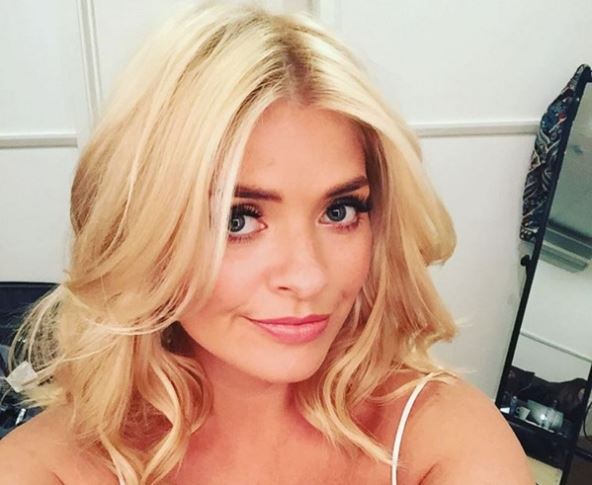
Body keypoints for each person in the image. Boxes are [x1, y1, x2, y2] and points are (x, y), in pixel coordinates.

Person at [0, 3, 533, 484]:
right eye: (237, 220)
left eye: (340, 211)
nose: (308, 277)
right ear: (144, 232)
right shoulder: (45, 468)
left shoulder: (441, 440)